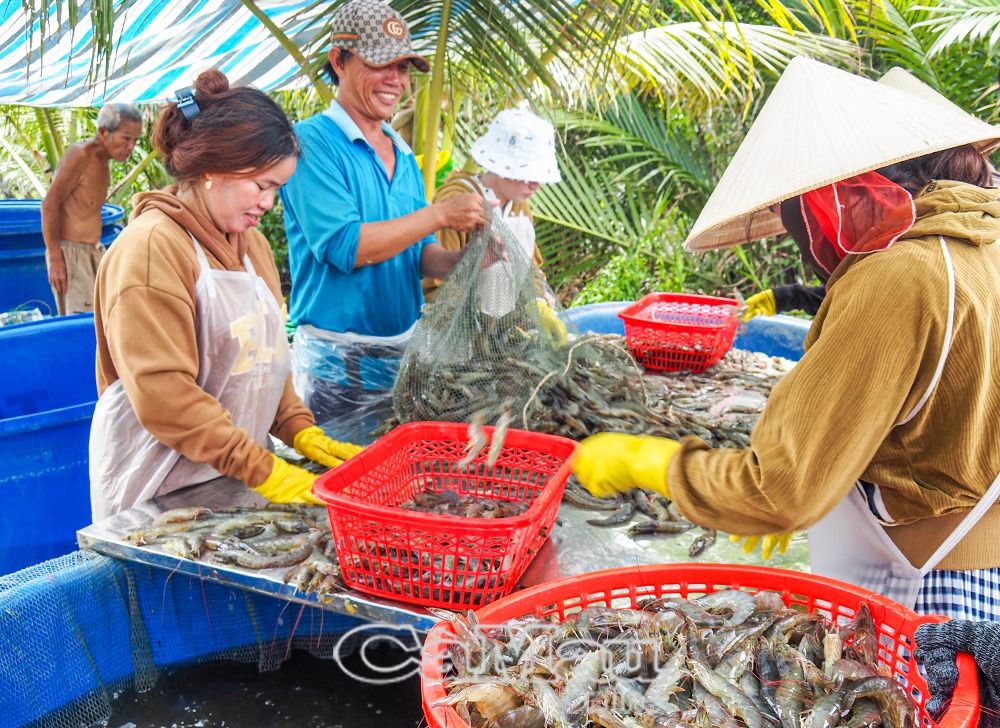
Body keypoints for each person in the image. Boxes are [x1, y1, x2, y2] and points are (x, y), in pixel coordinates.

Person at [575, 144, 1000, 622]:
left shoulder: (901, 274)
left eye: (792, 209)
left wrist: (648, 461)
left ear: (845, 196)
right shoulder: (976, 240)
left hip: (931, 585)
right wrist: (819, 481)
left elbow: (777, 492)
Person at [89, 69, 362, 522]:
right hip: (158, 494)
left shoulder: (250, 244)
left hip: (231, 482)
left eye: (277, 189)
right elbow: (165, 395)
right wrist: (264, 470)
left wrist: (297, 427)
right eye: (262, 185)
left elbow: (263, 359)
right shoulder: (152, 249)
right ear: (213, 169)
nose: (269, 204)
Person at [279, 0, 487, 440]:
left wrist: (460, 261)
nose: (396, 80)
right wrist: (437, 214)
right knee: (337, 492)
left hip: (401, 357)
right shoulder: (311, 144)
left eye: (404, 67)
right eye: (381, 64)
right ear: (340, 61)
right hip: (339, 369)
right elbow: (347, 247)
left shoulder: (404, 154)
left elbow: (412, 254)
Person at [425, 108, 567, 346]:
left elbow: (527, 267)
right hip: (456, 338)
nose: (535, 185)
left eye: (539, 176)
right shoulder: (459, 199)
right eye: (527, 174)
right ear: (501, 164)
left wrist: (537, 303)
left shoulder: (521, 206)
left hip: (505, 335)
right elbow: (436, 286)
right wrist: (480, 330)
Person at [41, 102, 143, 315]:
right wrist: (55, 257)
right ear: (103, 132)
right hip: (72, 256)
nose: (131, 146)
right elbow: (49, 204)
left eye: (135, 140)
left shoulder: (103, 161)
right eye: (126, 138)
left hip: (92, 253)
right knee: (83, 327)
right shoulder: (80, 155)